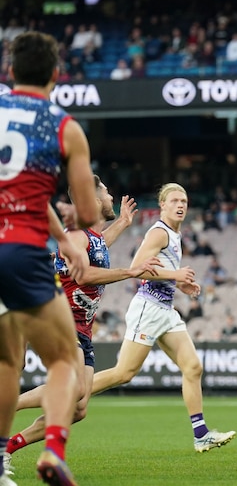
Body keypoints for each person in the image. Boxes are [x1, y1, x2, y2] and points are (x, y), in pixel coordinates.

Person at [4, 177, 161, 476]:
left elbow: (99, 248)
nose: (111, 195)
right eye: (105, 192)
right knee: (73, 388)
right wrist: (130, 271)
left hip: (82, 328)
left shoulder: (91, 236)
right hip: (57, 318)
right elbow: (85, 275)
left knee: (78, 408)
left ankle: (9, 446)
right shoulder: (76, 234)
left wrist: (124, 224)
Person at [0, 31, 99, 486]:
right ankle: (54, 449)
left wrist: (60, 237)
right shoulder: (64, 125)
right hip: (21, 250)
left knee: (5, 362)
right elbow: (88, 210)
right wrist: (68, 233)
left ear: (11, 72)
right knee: (62, 360)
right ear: (56, 76)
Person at [88, 183, 236, 453]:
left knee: (193, 367)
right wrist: (176, 276)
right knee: (124, 373)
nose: (181, 205)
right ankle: (69, 394)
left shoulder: (175, 235)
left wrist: (180, 285)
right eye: (175, 201)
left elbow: (161, 269)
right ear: (163, 206)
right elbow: (136, 269)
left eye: (185, 201)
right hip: (148, 307)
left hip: (165, 309)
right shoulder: (159, 232)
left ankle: (201, 434)